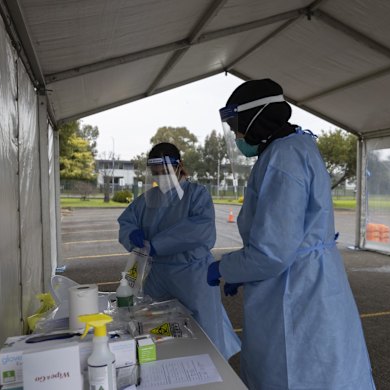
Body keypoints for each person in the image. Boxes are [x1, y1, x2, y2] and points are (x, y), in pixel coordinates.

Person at [207, 79, 376, 389]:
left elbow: (273, 251)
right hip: (309, 279)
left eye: (237, 123)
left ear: (256, 118)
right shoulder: (294, 147)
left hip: (297, 289)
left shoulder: (282, 157)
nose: (236, 133)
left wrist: (226, 268)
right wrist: (242, 271)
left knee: (296, 371)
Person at [118, 142, 240, 360]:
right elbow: (127, 221)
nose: (160, 177)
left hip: (192, 274)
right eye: (155, 173)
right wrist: (132, 233)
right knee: (157, 328)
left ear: (179, 166)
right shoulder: (148, 199)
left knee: (204, 332)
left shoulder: (196, 194)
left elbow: (200, 231)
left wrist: (158, 244)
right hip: (157, 275)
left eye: (164, 172)